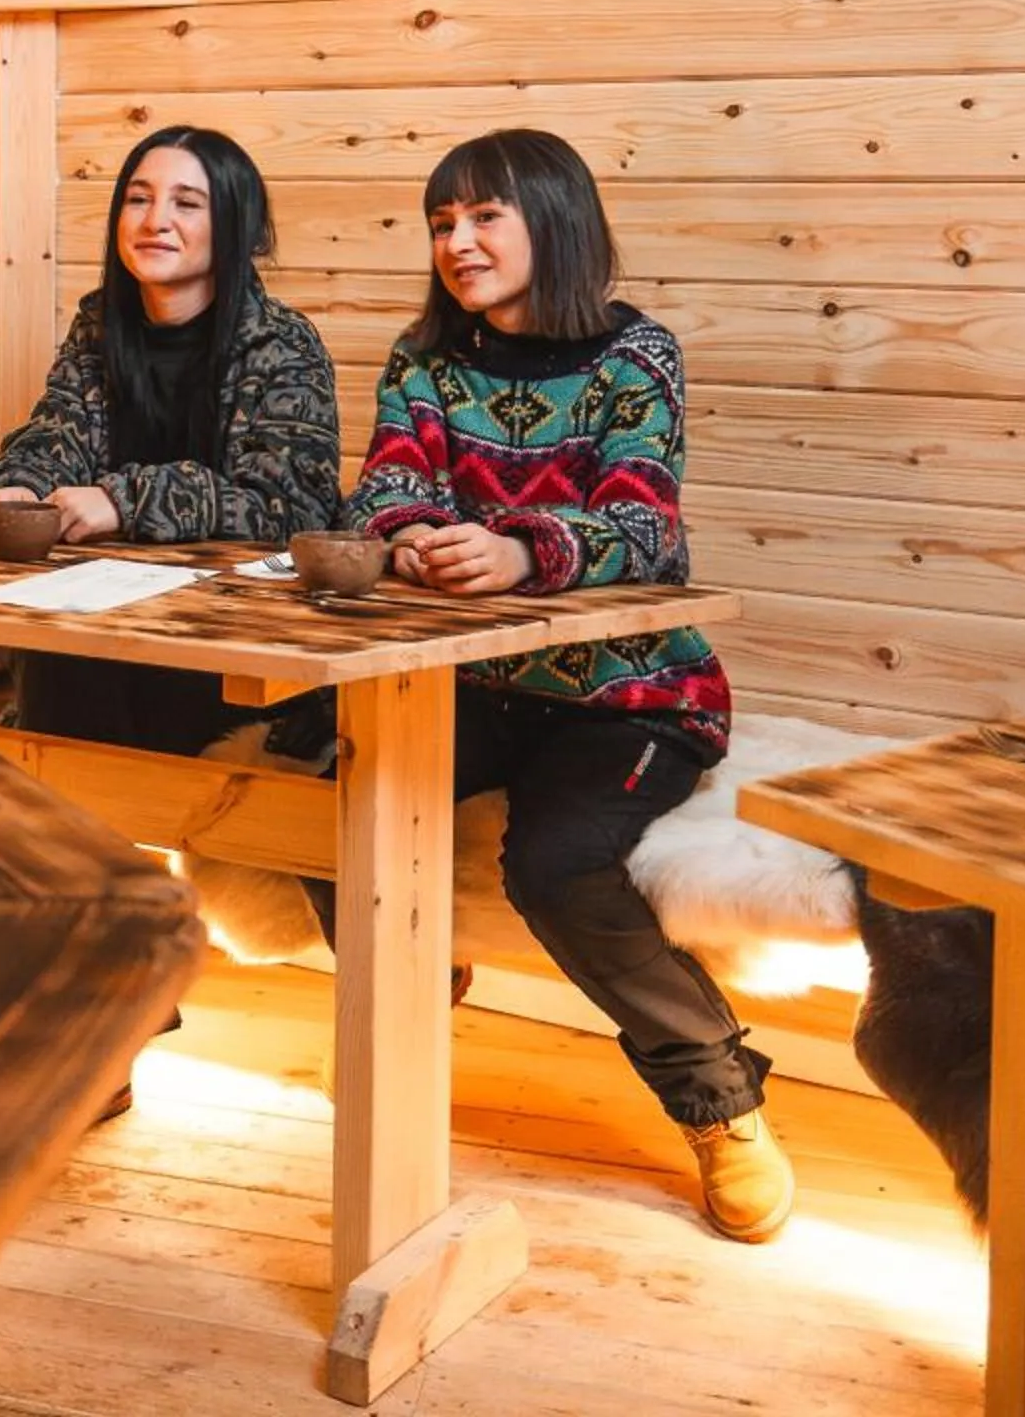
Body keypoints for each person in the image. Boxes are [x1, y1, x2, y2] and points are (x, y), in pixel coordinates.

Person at [339, 127, 792, 1243]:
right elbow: (381, 492)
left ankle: (719, 1098)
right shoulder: (423, 359)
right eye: (442, 222)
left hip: (633, 693)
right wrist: (414, 539)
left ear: (555, 218)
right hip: (464, 680)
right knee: (317, 789)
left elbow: (644, 522)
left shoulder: (639, 355)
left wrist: (517, 550)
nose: (458, 241)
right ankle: (416, 975)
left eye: (484, 216)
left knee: (556, 864)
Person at [0, 127, 342, 1122]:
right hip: (108, 627)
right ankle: (112, 1026)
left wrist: (121, 499)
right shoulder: (102, 324)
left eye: (185, 201)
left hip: (235, 644)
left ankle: (393, 977)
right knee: (46, 741)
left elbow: (289, 502)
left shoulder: (281, 343)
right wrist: (20, 482)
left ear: (235, 223)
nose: (155, 219)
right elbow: (56, 433)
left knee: (114, 752)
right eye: (138, 197)